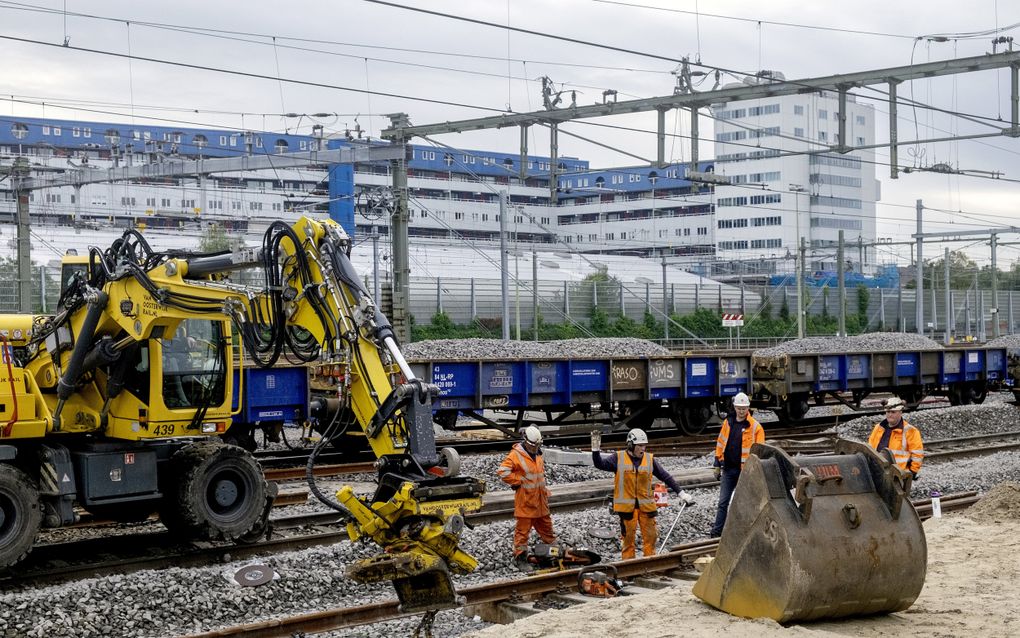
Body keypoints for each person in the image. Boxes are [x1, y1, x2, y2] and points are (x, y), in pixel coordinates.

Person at [591, 427, 685, 559]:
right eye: (640, 446)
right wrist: (595, 449)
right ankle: (629, 568)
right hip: (627, 509)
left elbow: (665, 476)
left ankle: (649, 563)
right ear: (630, 445)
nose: (643, 449)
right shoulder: (618, 458)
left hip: (646, 507)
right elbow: (599, 464)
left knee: (651, 537)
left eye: (644, 446)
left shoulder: (649, 459)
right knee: (628, 540)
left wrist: (680, 492)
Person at [497, 425, 556, 570]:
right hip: (526, 502)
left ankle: (552, 556)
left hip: (541, 502)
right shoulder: (516, 455)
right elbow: (502, 471)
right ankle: (520, 558)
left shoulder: (538, 454)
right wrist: (519, 481)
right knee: (522, 533)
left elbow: (538, 476)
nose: (536, 448)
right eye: (534, 445)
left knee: (548, 531)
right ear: (527, 442)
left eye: (538, 445)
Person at [710, 392, 764, 538]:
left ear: (748, 408)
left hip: (745, 472)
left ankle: (742, 532)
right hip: (728, 469)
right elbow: (721, 443)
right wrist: (717, 462)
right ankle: (717, 533)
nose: (741, 411)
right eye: (739, 408)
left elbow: (760, 452)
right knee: (723, 502)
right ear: (735, 407)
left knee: (743, 502)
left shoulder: (755, 427)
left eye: (743, 408)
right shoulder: (728, 422)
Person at [868, 397, 924, 478]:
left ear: (900, 412)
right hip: (878, 472)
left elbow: (917, 454)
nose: (890, 414)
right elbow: (870, 448)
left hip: (898, 475)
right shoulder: (878, 428)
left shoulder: (910, 431)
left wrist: (912, 472)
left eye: (893, 412)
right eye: (888, 412)